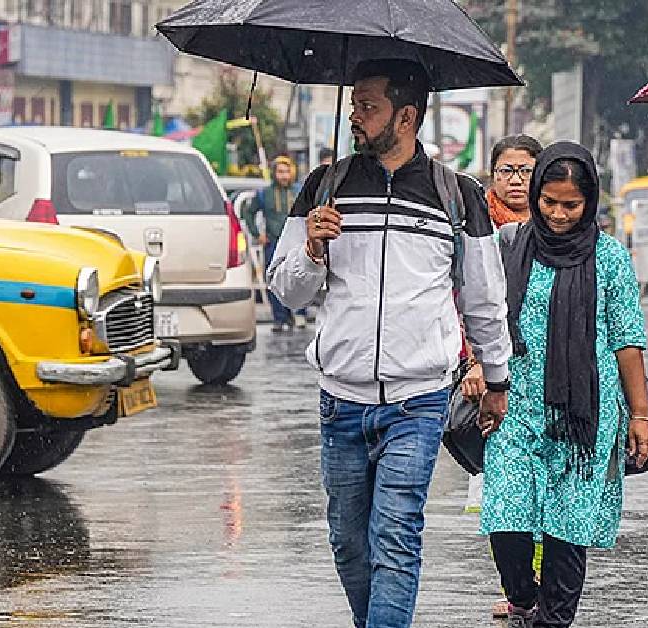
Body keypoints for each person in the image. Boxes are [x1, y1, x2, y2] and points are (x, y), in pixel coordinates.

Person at [266, 59, 512, 628]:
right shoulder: (324, 187)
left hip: (419, 398)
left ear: (406, 115)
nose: (355, 115)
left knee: (395, 535)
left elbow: (483, 297)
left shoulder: (457, 196)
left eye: (368, 106)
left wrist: (496, 378)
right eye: (354, 104)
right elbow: (288, 291)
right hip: (341, 398)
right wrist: (312, 249)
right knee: (350, 543)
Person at [481, 141, 648, 628]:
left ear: (590, 202)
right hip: (514, 402)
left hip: (583, 415)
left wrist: (639, 416)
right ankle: (523, 596)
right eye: (549, 202)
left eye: (570, 205)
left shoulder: (610, 259)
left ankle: (554, 619)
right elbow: (483, 313)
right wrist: (477, 365)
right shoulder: (510, 245)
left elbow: (627, 341)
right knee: (506, 515)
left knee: (567, 523)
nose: (557, 214)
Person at [455, 132, 543, 619]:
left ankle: (541, 581)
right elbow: (463, 299)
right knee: (503, 486)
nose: (515, 181)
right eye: (506, 170)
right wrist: (474, 362)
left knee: (545, 484)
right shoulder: (473, 224)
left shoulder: (560, 222)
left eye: (526, 170)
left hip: (544, 374)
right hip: (490, 373)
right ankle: (517, 586)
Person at [245, 155, 303, 331]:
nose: (284, 176)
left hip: (296, 243)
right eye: (280, 172)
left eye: (286, 171)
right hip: (274, 243)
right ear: (274, 173)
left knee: (299, 277)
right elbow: (249, 213)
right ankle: (280, 318)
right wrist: (257, 234)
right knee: (274, 280)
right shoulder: (264, 194)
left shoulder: (299, 191)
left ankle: (298, 314)